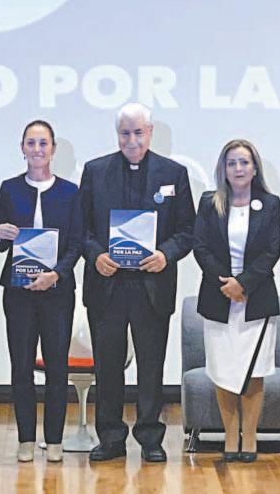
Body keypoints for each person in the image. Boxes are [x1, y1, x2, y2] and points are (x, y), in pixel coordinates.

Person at [79, 102, 195, 462]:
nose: (132, 140)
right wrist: (96, 255)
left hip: (152, 286)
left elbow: (187, 230)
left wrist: (166, 255)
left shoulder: (173, 173)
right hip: (107, 285)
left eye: (138, 132)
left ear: (150, 132)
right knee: (107, 367)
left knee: (151, 366)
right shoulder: (95, 171)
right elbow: (80, 228)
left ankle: (150, 438)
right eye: (125, 133)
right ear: (117, 134)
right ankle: (111, 438)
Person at [0, 120, 82, 463]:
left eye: (43, 143)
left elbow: (76, 243)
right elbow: (1, 244)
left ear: (53, 149)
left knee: (57, 366)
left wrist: (56, 274)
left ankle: (54, 440)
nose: (37, 149)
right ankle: (26, 439)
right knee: (21, 366)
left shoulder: (70, 192)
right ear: (22, 148)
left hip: (57, 291)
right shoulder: (9, 188)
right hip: (19, 291)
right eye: (31, 143)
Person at [193, 139, 280, 463]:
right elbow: (200, 246)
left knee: (253, 370)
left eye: (244, 162)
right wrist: (227, 285)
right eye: (232, 163)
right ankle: (231, 436)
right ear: (223, 169)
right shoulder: (209, 202)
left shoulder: (270, 204)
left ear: (255, 167)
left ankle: (250, 436)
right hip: (219, 298)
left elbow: (272, 251)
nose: (238, 168)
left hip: (256, 299)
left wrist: (243, 283)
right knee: (223, 369)